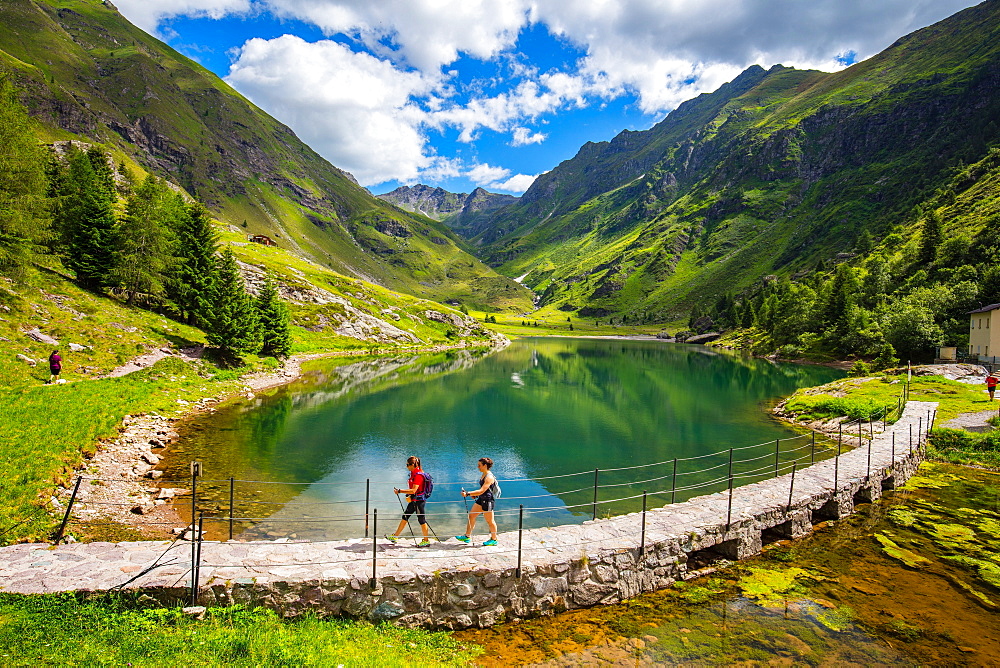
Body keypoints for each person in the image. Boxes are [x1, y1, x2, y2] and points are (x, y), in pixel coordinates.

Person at [386, 456, 431, 547]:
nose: (406, 467)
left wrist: (400, 491)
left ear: (413, 465)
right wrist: (408, 495)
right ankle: (395, 536)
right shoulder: (413, 474)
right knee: (405, 517)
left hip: (419, 501)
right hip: (413, 500)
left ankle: (426, 541)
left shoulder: (418, 475)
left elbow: (414, 490)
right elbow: (413, 490)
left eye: (407, 465)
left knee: (421, 520)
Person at [456, 457, 498, 546]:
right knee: (471, 516)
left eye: (479, 465)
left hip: (487, 501)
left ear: (485, 465)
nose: (477, 467)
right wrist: (475, 495)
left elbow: (482, 490)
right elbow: (483, 491)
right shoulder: (483, 474)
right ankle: (467, 536)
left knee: (490, 521)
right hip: (481, 499)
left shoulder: (489, 477)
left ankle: (494, 539)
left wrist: (468, 494)